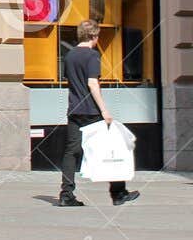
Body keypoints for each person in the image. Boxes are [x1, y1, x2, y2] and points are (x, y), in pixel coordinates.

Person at [57, 20, 140, 208]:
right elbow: (92, 83)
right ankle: (118, 193)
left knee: (71, 152)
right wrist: (104, 110)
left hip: (74, 110)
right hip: (91, 111)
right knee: (112, 146)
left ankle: (66, 194)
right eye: (97, 36)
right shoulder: (92, 56)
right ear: (94, 36)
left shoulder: (69, 55)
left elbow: (70, 81)